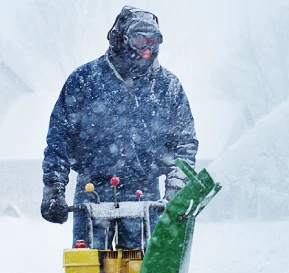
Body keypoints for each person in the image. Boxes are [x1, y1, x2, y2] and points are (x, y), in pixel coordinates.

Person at [40, 5, 198, 252]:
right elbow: (60, 138)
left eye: (153, 42)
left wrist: (175, 189)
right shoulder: (85, 80)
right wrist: (54, 188)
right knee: (89, 270)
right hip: (92, 190)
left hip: (144, 193)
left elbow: (184, 143)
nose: (147, 51)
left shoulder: (167, 87)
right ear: (121, 40)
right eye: (139, 41)